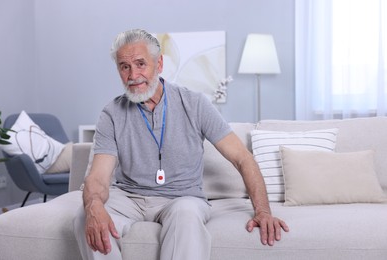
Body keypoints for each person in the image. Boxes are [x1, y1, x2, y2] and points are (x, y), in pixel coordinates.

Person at [73, 28, 289, 260]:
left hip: (182, 198)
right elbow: (98, 177)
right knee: (85, 216)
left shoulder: (195, 103)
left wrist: (263, 211)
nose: (133, 74)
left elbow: (242, 158)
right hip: (128, 197)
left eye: (140, 64)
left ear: (159, 64)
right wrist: (94, 204)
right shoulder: (112, 113)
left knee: (186, 215)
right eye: (124, 67)